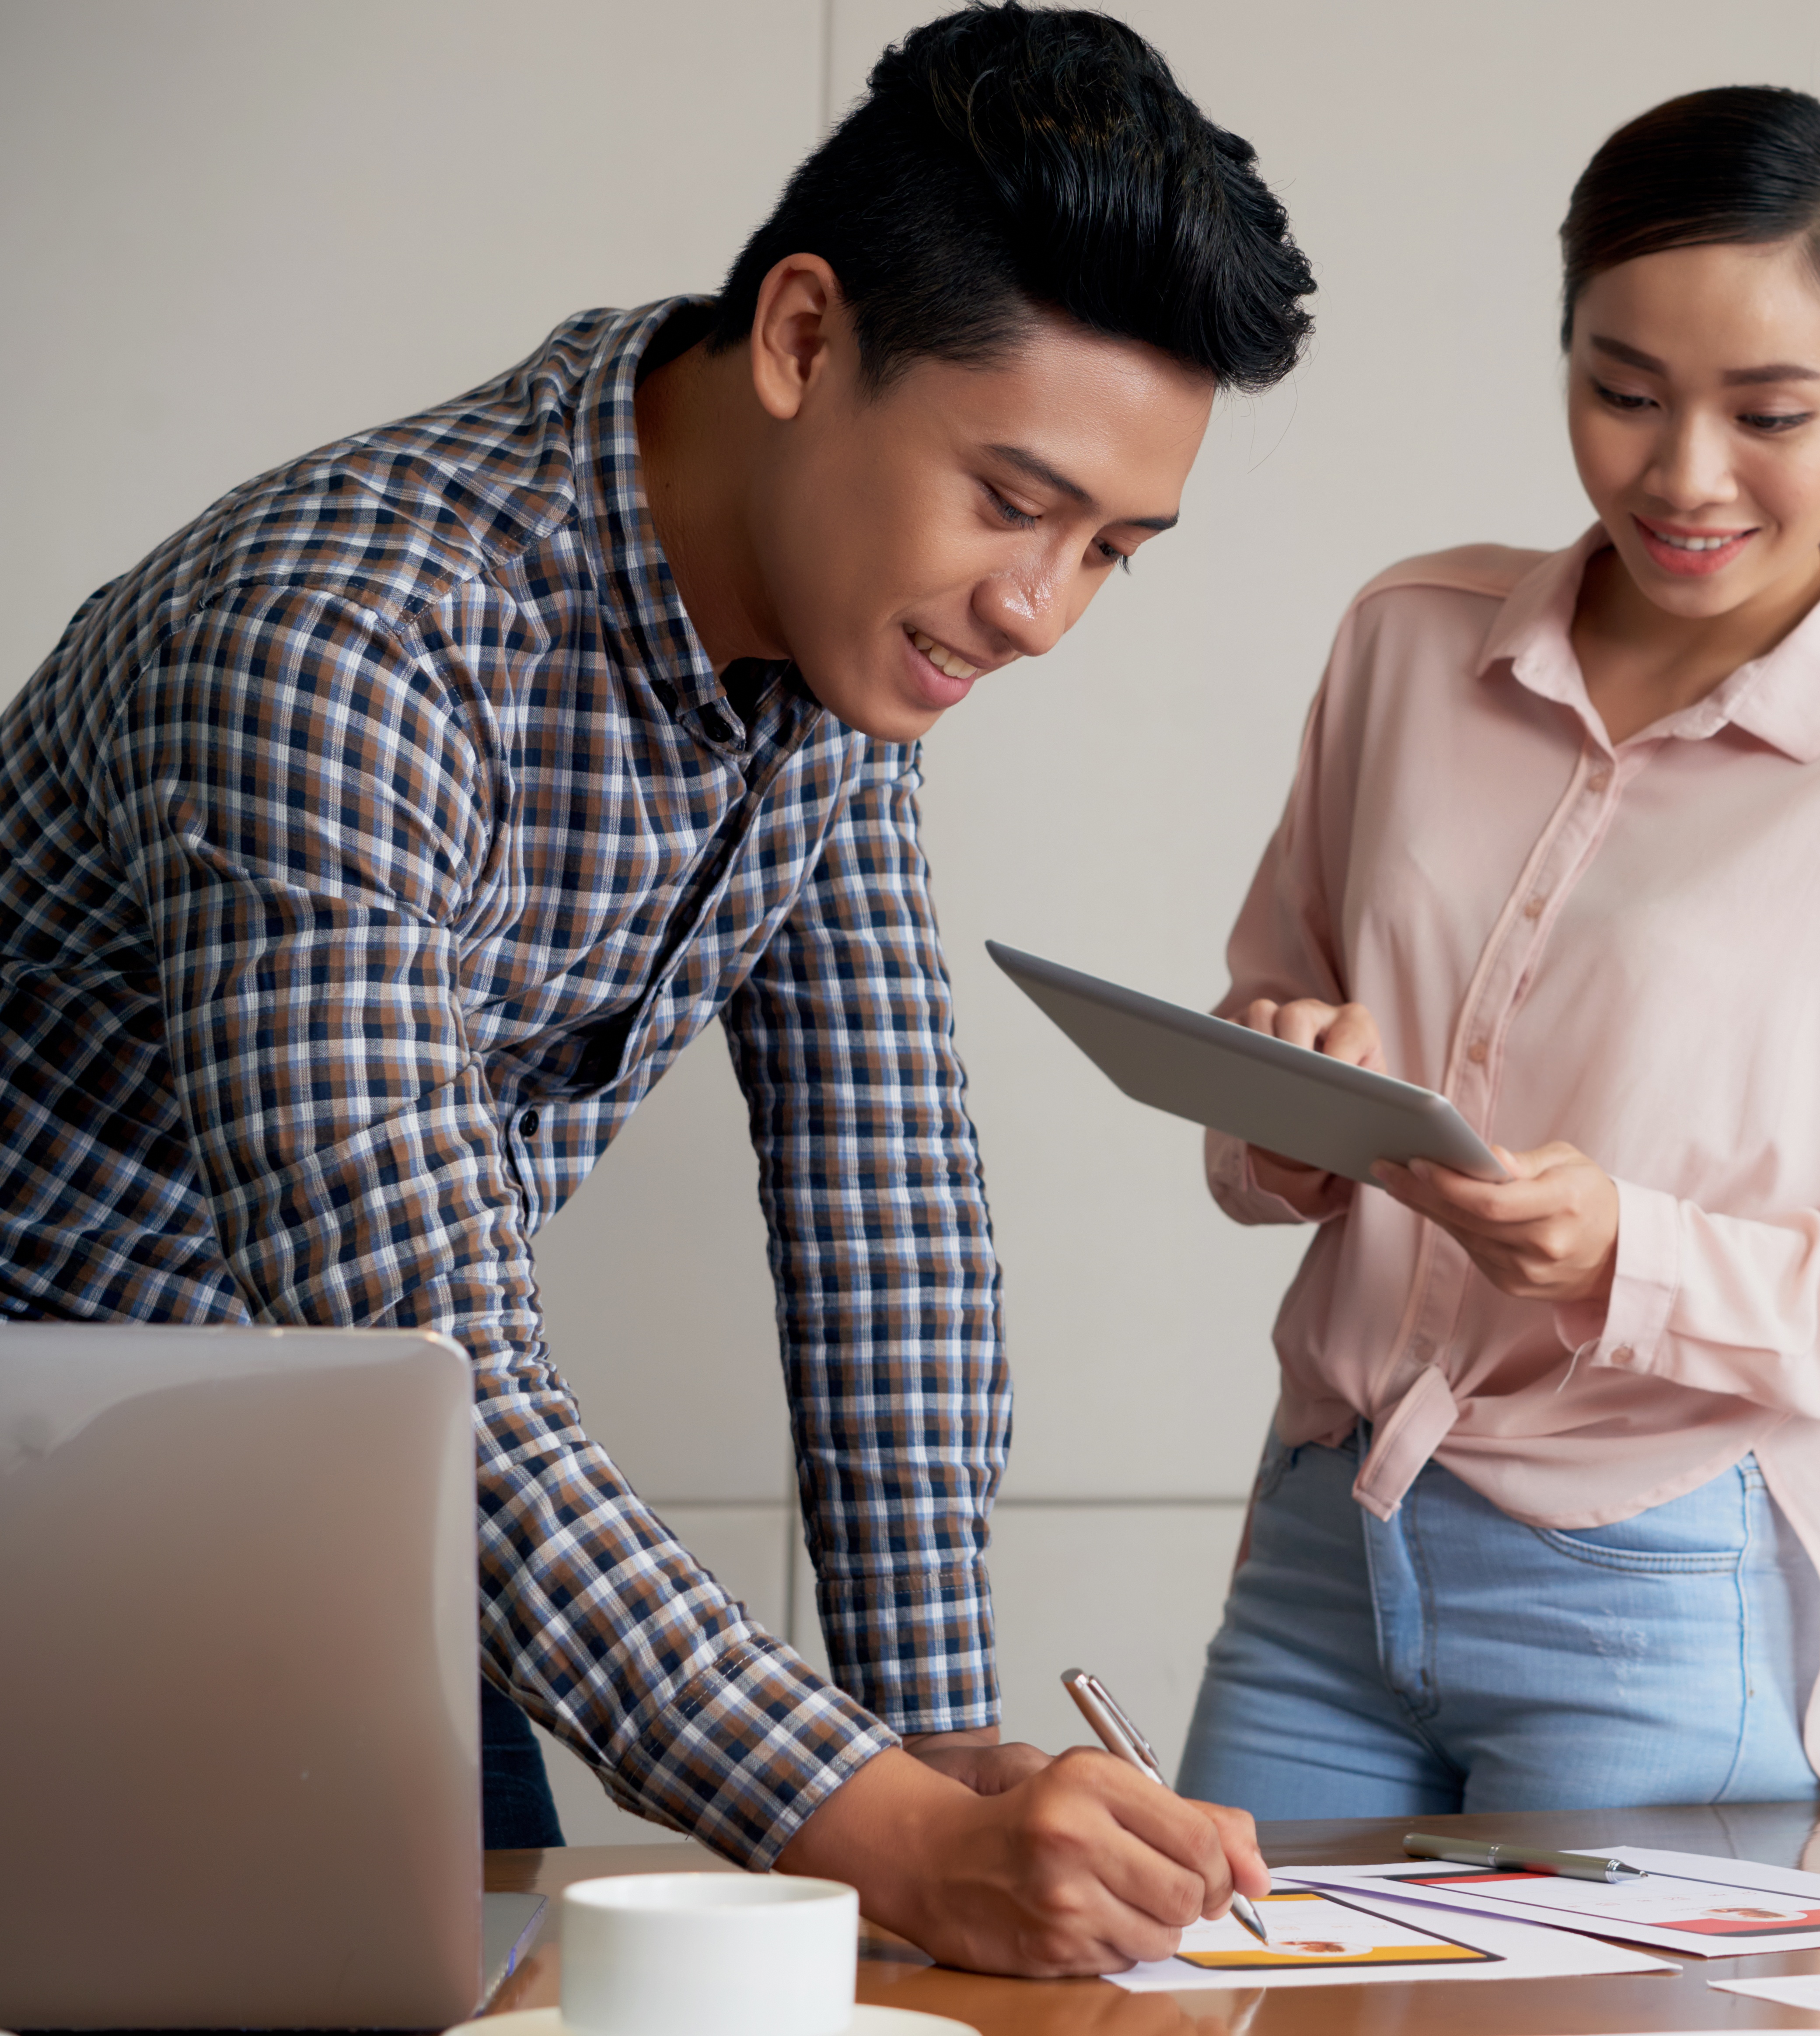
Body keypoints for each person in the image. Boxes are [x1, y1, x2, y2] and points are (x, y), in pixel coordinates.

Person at [0, 4, 1306, 1979]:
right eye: (1013, 501)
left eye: (1114, 550)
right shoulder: (345, 640)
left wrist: (937, 1742)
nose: (1039, 613)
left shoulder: (843, 644)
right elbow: (410, 1344)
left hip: (321, 1513)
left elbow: (884, 1207)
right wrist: (884, 1838)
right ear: (802, 339)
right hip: (52, 1501)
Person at [1174, 85, 1820, 1818]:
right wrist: (1283, 1108)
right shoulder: (1405, 641)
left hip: (1651, 1594)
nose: (1682, 475)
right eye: (1623, 393)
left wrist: (1628, 1257)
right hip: (1320, 1550)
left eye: (1770, 412)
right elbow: (1260, 1048)